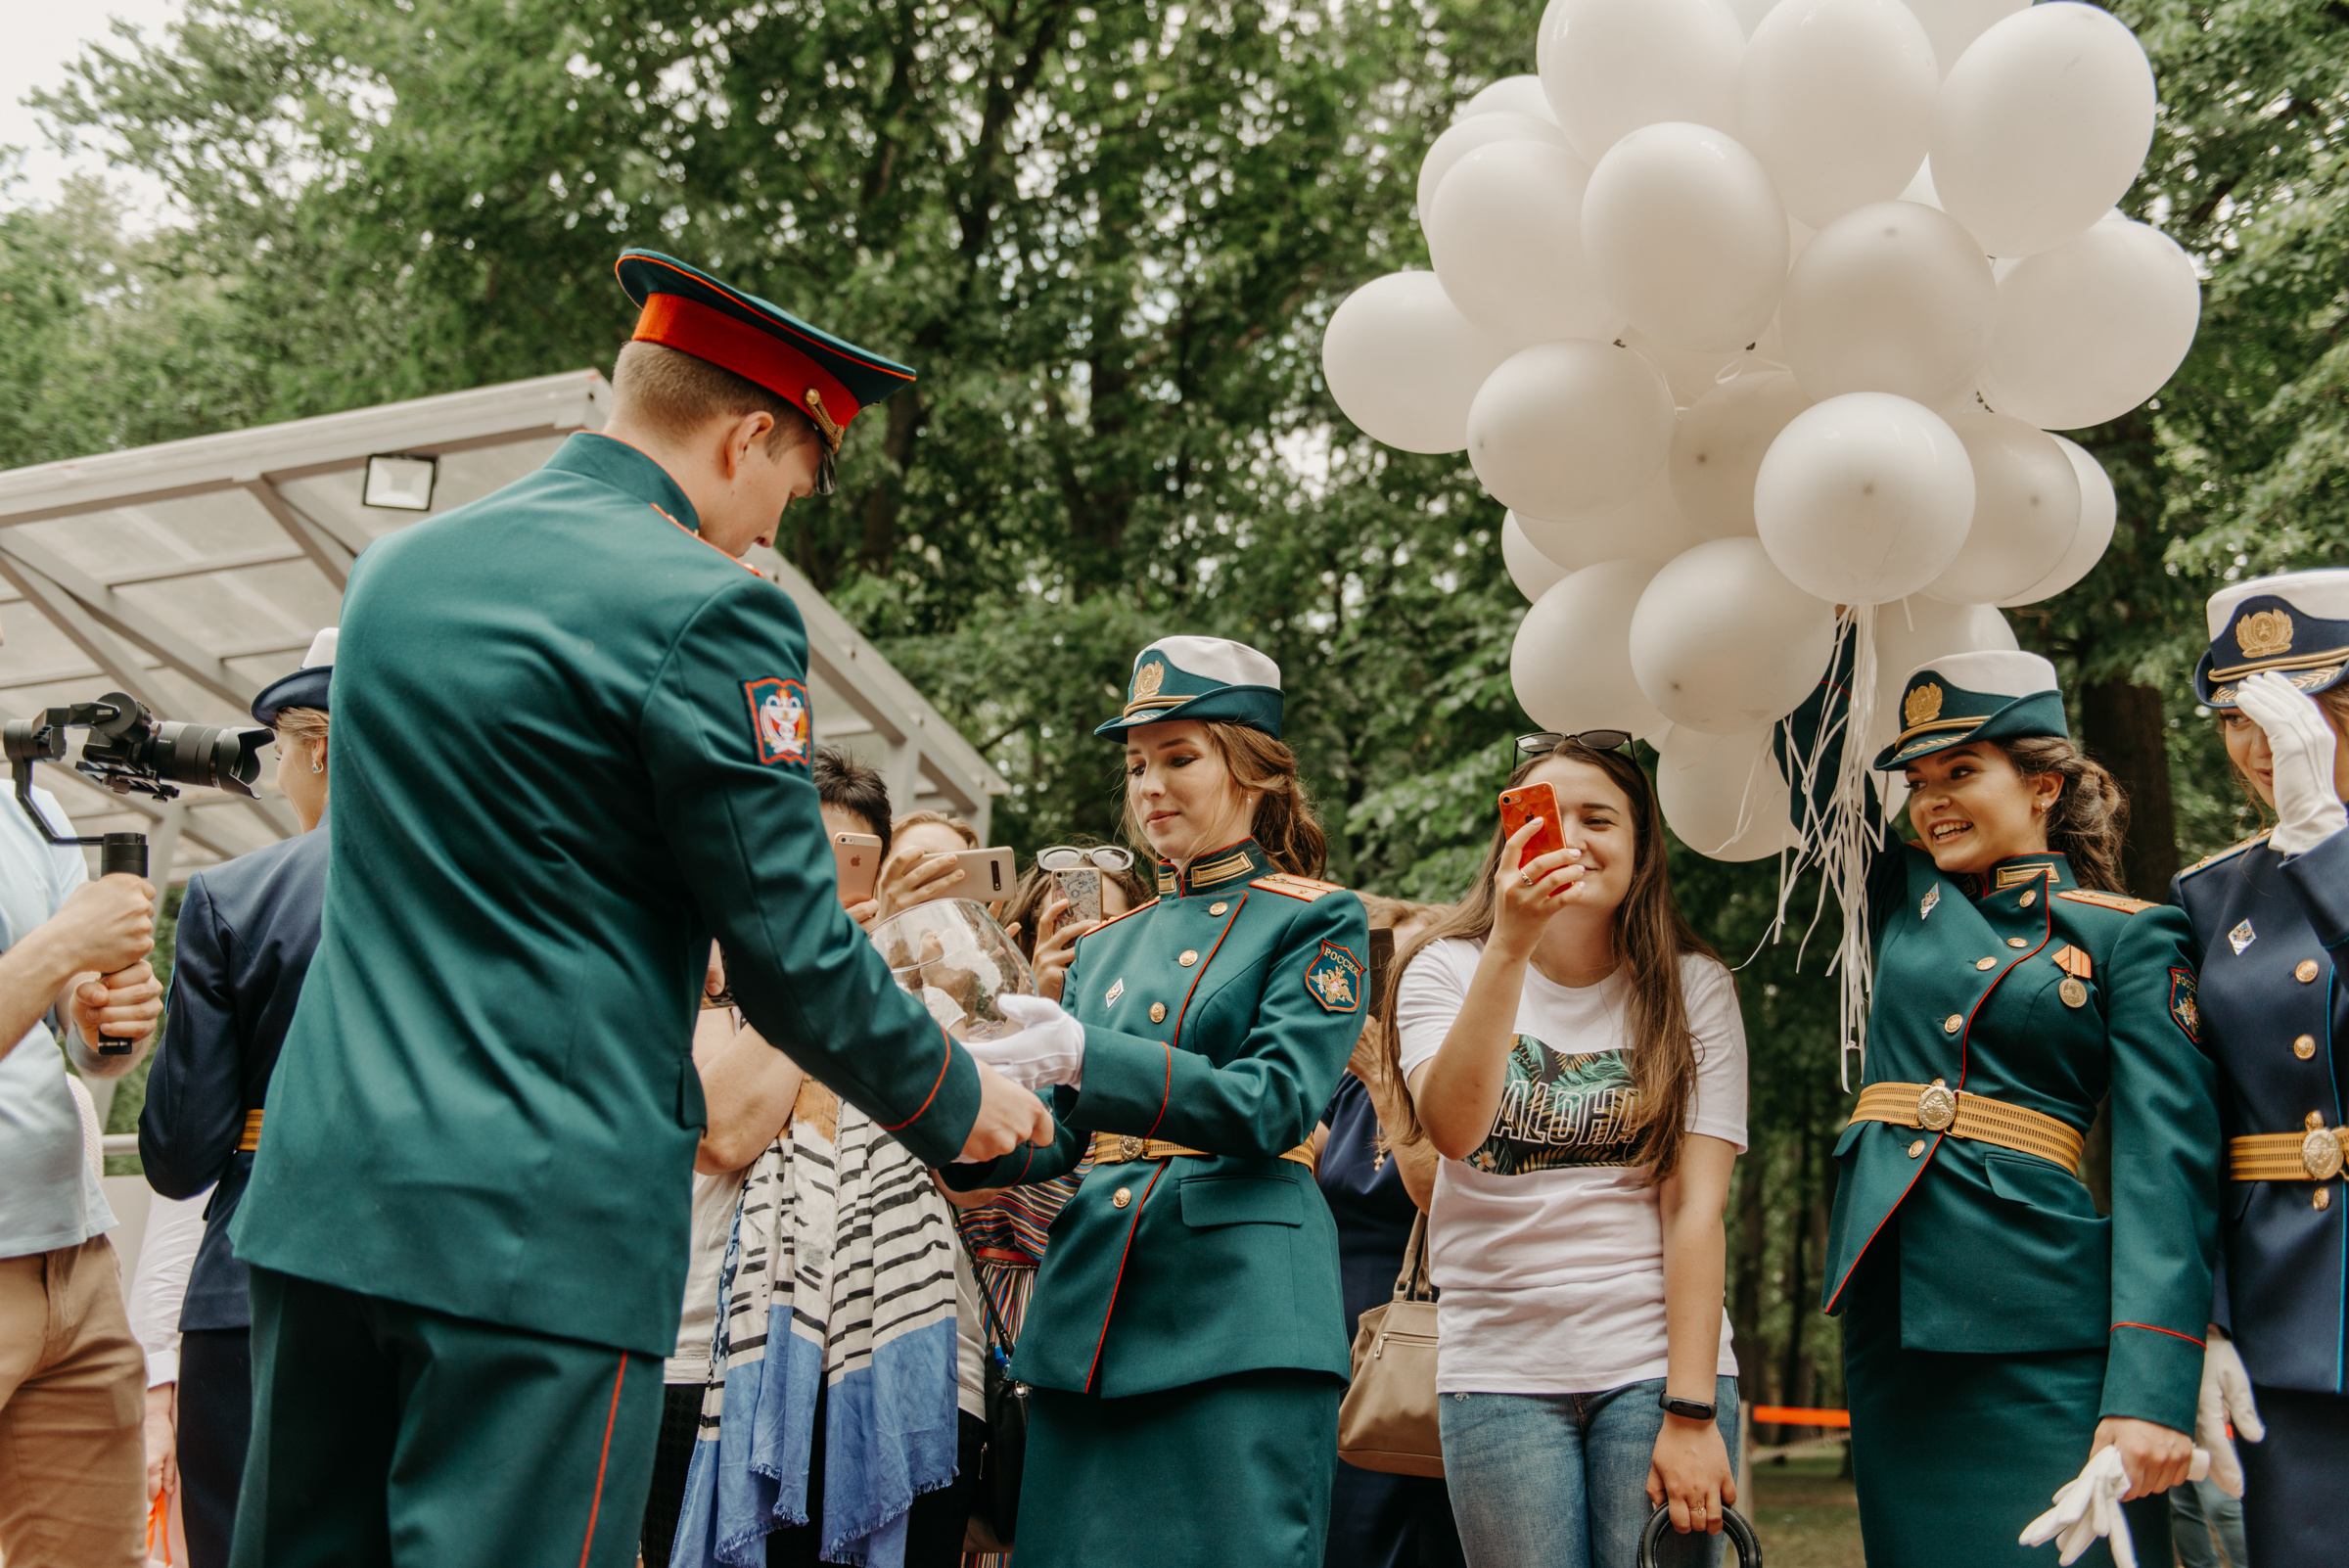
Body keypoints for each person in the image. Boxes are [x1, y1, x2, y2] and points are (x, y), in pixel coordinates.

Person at [225, 250, 1050, 1568]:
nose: (773, 527)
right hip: (537, 1220)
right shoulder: (714, 611)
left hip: (327, 1194)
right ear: (751, 432)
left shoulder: (397, 577)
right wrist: (963, 1100)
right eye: (786, 484)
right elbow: (790, 956)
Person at [942, 635, 1371, 1568]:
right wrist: (956, 1105)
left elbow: (1277, 1102)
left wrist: (1089, 1053)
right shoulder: (1106, 944)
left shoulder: (1314, 918)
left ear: (1254, 772)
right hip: (1092, 1322)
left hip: (1237, 1318)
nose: (1149, 787)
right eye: (1137, 765)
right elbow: (1063, 1145)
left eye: (1180, 758)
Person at [1790, 648, 2217, 1566]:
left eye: (1963, 770)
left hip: (2042, 1323)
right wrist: (1831, 621)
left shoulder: (2130, 936)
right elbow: (1809, 763)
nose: (1934, 798)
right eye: (1919, 781)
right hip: (1896, 1314)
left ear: (2043, 787)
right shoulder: (1900, 895)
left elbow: (2164, 1171)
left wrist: (2149, 1388)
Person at [1385, 735, 1745, 1568]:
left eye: (1601, 818)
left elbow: (1696, 1205)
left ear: (1642, 846)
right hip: (1497, 1372)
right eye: (1550, 817)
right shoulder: (1441, 966)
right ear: (1510, 839)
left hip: (1657, 1367)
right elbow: (1455, 1133)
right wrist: (1511, 946)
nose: (1576, 840)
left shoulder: (1695, 986)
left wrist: (1690, 1413)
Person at [657, 746, 976, 1568]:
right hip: (708, 1364)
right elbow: (722, 1132)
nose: (823, 883)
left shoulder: (923, 1006)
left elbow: (974, 1177)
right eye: (801, 854)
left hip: (888, 1361)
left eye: (849, 858)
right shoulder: (695, 980)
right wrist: (831, 975)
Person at [135, 628, 338, 1568]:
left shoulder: (235, 898)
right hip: (443, 1278)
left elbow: (180, 1154)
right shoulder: (502, 891)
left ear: (322, 747)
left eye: (285, 749)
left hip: (255, 1283)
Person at [2169, 567, 2349, 1563]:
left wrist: (2327, 843)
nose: (2263, 745)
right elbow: (2193, 1129)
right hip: (2284, 1331)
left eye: (2294, 709)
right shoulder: (2210, 899)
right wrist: (2200, 1323)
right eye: (2238, 716)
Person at [0, 661, 165, 1568]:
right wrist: (63, 946)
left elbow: (87, 1039)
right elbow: (53, 959)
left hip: (74, 1262)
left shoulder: (28, 808)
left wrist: (109, 1021)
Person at [942, 844, 1148, 1565]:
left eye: (1115, 931)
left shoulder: (1157, 1067)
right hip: (1008, 1331)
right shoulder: (979, 1048)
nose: (1094, 946)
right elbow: (974, 1177)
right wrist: (1046, 1013)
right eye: (1069, 927)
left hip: (1120, 1332)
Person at [1316, 896, 1462, 1568]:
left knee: (1426, 1539)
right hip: (1342, 1345)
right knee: (1344, 1539)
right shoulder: (1342, 1086)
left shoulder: (1456, 1084)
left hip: (1423, 1346)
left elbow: (1434, 1189)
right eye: (1385, 970)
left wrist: (1384, 1077)